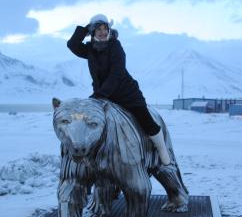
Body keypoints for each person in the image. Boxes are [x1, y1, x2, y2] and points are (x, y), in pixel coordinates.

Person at [67, 13, 171, 165]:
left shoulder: (115, 46)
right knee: (88, 119)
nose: (103, 32)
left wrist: (100, 95)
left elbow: (117, 73)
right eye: (98, 29)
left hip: (127, 94)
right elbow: (72, 45)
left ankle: (162, 149)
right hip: (102, 94)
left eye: (105, 28)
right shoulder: (90, 49)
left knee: (146, 120)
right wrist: (84, 30)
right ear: (93, 32)